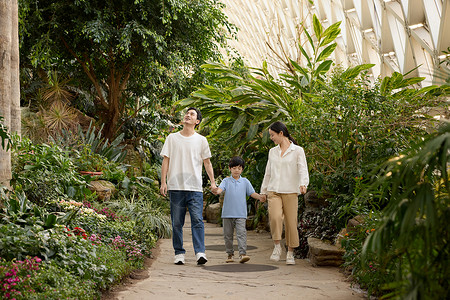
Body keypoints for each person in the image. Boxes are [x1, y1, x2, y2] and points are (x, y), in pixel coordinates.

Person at [160, 107, 217, 265]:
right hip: (176, 186)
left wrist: (212, 182)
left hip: (195, 188)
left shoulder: (201, 140)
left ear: (197, 121)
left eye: (192, 114)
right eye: (187, 113)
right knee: (177, 222)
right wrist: (163, 182)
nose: (187, 115)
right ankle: (179, 253)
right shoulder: (172, 138)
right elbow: (166, 160)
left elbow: (207, 162)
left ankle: (200, 252)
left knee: (197, 220)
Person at [260, 121, 309, 265]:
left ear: (281, 134)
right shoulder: (272, 152)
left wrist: (303, 184)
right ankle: (277, 247)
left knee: (291, 223)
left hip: (290, 191)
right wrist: (263, 191)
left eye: (272, 135)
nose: (271, 138)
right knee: (275, 218)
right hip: (274, 190)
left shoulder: (298, 151)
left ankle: (290, 253)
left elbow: (302, 169)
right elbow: (268, 173)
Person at [212, 156, 264, 263]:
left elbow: (251, 193)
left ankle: (242, 254)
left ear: (242, 170)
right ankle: (230, 254)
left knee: (241, 233)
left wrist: (260, 197)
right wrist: (216, 190)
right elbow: (220, 190)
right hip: (227, 214)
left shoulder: (245, 181)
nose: (237, 170)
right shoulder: (226, 181)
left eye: (239, 168)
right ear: (230, 168)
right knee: (228, 235)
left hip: (241, 213)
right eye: (234, 168)